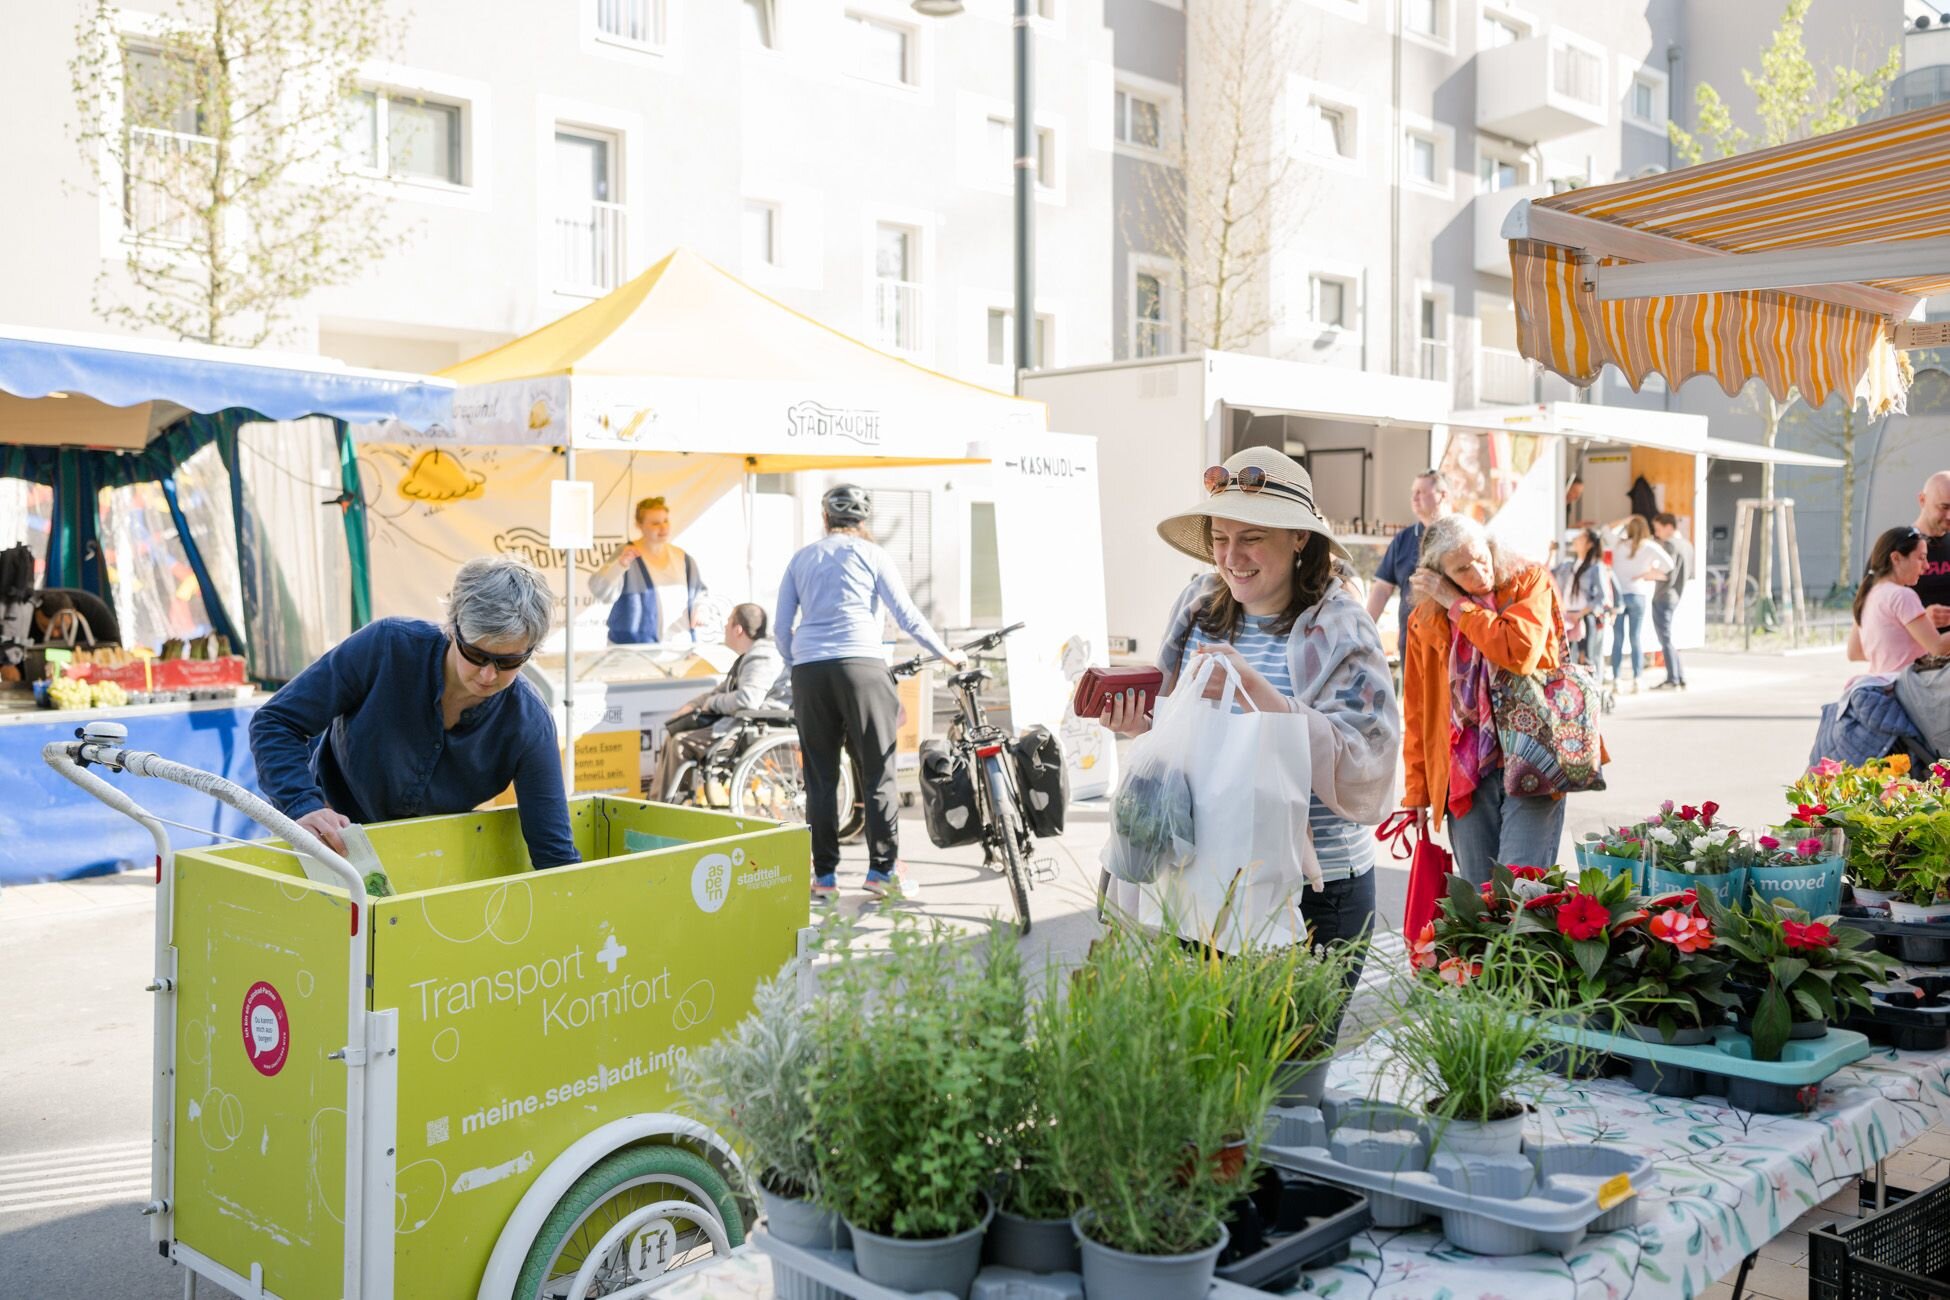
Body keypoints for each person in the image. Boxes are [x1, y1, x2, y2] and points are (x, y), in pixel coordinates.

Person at [1100, 447, 1399, 962]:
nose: (1231, 557)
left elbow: (1367, 763)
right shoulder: (1197, 607)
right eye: (1220, 538)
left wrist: (1263, 697)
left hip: (1314, 891)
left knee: (1292, 1024)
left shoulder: (1342, 626)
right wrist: (1140, 725)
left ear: (1299, 537)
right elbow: (1178, 733)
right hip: (1200, 875)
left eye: (1252, 538)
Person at [250, 556, 579, 869]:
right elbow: (275, 722)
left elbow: (553, 851)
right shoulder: (386, 647)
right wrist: (302, 805)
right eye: (475, 654)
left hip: (428, 861)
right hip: (324, 846)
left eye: (509, 662)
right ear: (453, 628)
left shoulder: (529, 722)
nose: (488, 675)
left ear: (530, 651)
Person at [776, 484, 962, 903]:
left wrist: (800, 664)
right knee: (878, 771)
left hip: (809, 671)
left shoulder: (801, 559)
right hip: (862, 665)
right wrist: (945, 653)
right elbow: (907, 615)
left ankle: (825, 877)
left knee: (820, 778)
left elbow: (780, 629)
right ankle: (881, 871)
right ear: (863, 521)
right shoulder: (872, 555)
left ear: (825, 519)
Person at [1403, 513, 1577, 885]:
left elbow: (1519, 651)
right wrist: (1416, 790)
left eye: (1481, 558)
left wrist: (1459, 605)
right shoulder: (1424, 618)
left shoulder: (1528, 582)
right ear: (1440, 575)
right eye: (1462, 569)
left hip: (1534, 756)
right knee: (1477, 894)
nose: (1479, 573)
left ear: (1492, 547)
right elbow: (1418, 711)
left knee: (1520, 889)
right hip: (1464, 769)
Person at [651, 603, 785, 801]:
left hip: (750, 730)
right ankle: (660, 801)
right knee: (673, 736)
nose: (724, 627)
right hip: (739, 727)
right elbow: (722, 690)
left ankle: (667, 804)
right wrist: (692, 706)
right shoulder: (749, 656)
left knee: (680, 743)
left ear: (738, 629)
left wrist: (712, 703)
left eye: (728, 622)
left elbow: (748, 699)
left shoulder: (761, 656)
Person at [591, 496, 706, 645]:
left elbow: (699, 592)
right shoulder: (626, 554)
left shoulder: (682, 557)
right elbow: (601, 591)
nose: (663, 527)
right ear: (639, 525)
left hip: (677, 644)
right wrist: (620, 565)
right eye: (655, 523)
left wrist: (699, 608)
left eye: (665, 521)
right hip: (634, 648)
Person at [1366, 469, 1452, 661]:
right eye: (1413, 492)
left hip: (1450, 644)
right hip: (1411, 643)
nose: (1414, 497)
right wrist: (1363, 629)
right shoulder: (1403, 539)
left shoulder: (1460, 536)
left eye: (1421, 492)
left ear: (1443, 495)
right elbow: (1382, 589)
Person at [1847, 526, 1950, 677]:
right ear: (1895, 558)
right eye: (1921, 558)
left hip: (1882, 681)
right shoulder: (1902, 595)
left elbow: (1855, 652)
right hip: (1907, 684)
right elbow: (1938, 647)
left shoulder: (1869, 594)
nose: (1927, 566)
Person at [1603, 516, 1670, 693]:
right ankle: (1637, 679)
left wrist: (1625, 520)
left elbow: (1605, 529)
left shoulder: (1618, 544)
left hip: (1618, 596)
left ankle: (1616, 679)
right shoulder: (1649, 546)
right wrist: (1647, 573)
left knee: (1618, 638)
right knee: (1635, 638)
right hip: (1638, 595)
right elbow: (1668, 565)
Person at [1552, 527, 1611, 668]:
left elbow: (1602, 597)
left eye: (1581, 537)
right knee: (1563, 661)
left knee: (1585, 661)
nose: (1576, 540)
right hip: (1566, 617)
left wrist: (1580, 613)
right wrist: (1551, 553)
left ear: (1589, 544)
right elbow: (1547, 574)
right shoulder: (1568, 565)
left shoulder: (1596, 567)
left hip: (1584, 617)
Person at [1648, 512, 1693, 691]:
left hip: (1663, 595)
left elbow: (1667, 572)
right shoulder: (1687, 545)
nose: (1656, 533)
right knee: (1669, 638)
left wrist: (1647, 573)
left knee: (1665, 638)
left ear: (1668, 527)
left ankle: (1672, 678)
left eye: (1658, 529)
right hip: (1677, 594)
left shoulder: (1669, 545)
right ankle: (1679, 677)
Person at [1909, 471, 1950, 628]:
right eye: (1944, 507)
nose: (1949, 516)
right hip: (1915, 642)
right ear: (1922, 500)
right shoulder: (1897, 545)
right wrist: (1920, 619)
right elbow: (1871, 608)